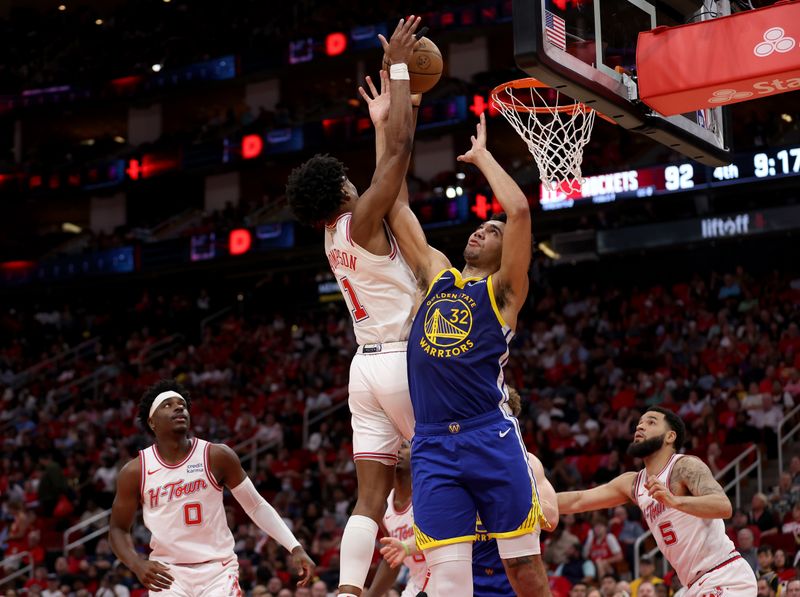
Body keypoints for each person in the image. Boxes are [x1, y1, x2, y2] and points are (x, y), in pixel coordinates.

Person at [285, 16, 421, 597]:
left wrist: (379, 123)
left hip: (362, 371)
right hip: (403, 362)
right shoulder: (360, 218)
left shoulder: (332, 234)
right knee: (446, 464)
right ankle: (437, 576)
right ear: (341, 189)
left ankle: (347, 590)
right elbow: (401, 159)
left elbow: (392, 187)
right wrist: (397, 75)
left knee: (370, 495)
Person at [387, 118, 546, 587]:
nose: (480, 233)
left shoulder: (504, 293)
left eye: (490, 232)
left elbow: (517, 211)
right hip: (433, 442)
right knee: (448, 577)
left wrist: (482, 158)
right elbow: (395, 204)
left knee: (523, 567)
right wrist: (399, 114)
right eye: (478, 228)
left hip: (488, 434)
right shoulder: (438, 276)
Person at [109, 380, 314, 595]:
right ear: (152, 422)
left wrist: (295, 546)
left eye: (182, 404)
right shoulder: (136, 471)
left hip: (217, 569)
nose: (179, 407)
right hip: (168, 573)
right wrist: (136, 564)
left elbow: (256, 506)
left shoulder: (216, 456)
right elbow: (118, 528)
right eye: (167, 405)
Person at [376, 387, 559, 596]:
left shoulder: (526, 462)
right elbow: (444, 527)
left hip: (510, 580)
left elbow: (551, 517)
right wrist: (407, 547)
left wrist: (497, 500)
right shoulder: (452, 462)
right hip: (469, 583)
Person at [557, 407, 757, 596]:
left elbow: (723, 506)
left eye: (651, 422)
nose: (640, 426)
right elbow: (579, 500)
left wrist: (674, 501)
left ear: (670, 436)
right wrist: (532, 502)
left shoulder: (684, 465)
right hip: (694, 585)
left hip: (724, 575)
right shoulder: (633, 483)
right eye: (639, 423)